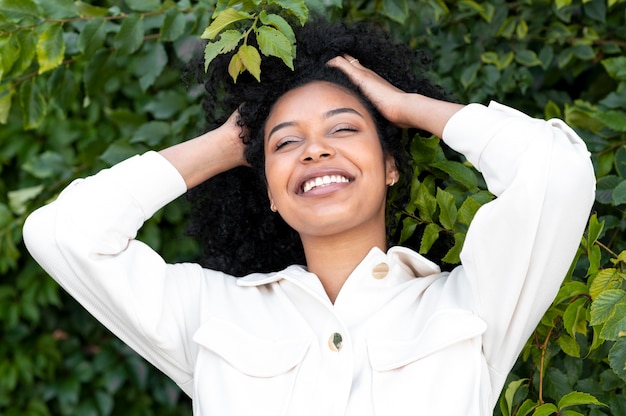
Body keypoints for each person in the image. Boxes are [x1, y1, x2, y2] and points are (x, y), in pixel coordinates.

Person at [23, 19, 595, 415]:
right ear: (269, 191)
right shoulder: (211, 314)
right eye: (286, 144)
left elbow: (555, 173)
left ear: (390, 166)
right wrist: (229, 145)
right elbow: (64, 234)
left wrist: (405, 107)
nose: (315, 150)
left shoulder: (470, 304)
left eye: (344, 129)